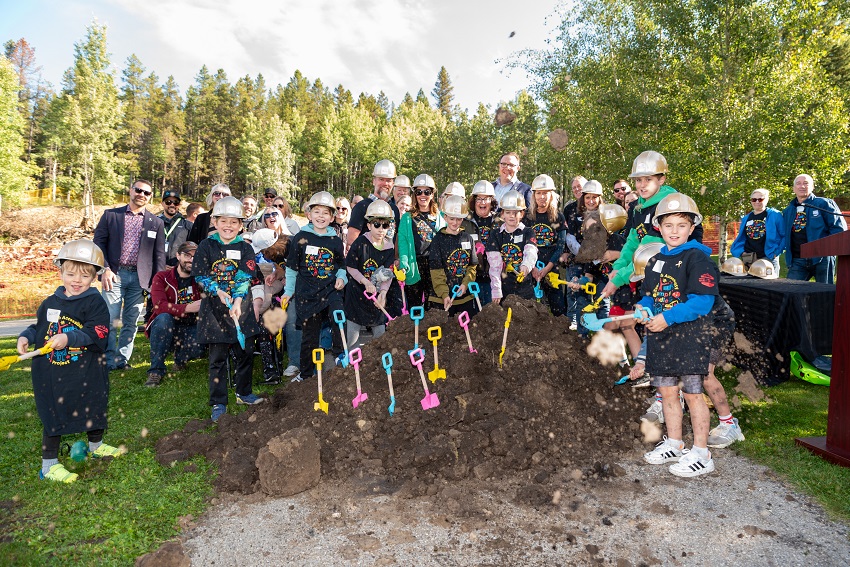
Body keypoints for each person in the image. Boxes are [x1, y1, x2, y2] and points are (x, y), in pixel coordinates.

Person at [18, 239, 121, 483]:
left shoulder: (95, 302)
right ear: (61, 271)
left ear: (95, 276)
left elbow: (98, 332)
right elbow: (40, 326)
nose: (76, 280)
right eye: (70, 273)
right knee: (54, 411)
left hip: (86, 371)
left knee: (93, 404)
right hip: (53, 372)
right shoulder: (50, 303)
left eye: (84, 276)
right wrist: (26, 336)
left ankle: (96, 446)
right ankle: (49, 466)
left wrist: (69, 337)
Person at [637, 193, 719, 478]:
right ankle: (674, 442)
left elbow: (702, 302)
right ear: (658, 226)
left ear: (692, 226)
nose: (674, 231)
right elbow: (650, 296)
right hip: (661, 337)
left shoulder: (697, 258)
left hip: (690, 338)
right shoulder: (654, 260)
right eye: (668, 224)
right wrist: (643, 310)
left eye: (681, 225)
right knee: (667, 392)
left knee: (693, 394)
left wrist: (666, 317)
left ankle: (701, 452)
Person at [192, 196, 266, 422]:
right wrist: (217, 290)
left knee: (245, 352)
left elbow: (245, 277)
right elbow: (201, 274)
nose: (228, 226)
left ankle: (243, 392)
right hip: (214, 310)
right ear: (214, 221)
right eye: (224, 220)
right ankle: (218, 402)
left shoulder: (245, 248)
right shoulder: (206, 245)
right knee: (217, 358)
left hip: (240, 308)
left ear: (241, 225)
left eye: (234, 222)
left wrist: (236, 300)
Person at [93, 179, 166, 371]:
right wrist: (105, 269)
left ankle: (121, 360)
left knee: (131, 321)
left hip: (140, 279)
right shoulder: (111, 216)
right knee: (110, 319)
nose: (142, 194)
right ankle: (107, 361)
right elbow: (98, 244)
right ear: (130, 190)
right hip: (114, 274)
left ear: (150, 197)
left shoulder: (156, 222)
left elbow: (159, 256)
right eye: (138, 190)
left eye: (147, 193)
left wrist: (155, 285)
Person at [283, 191, 347, 377]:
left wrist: (342, 277)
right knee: (309, 336)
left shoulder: (335, 239)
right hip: (307, 293)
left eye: (326, 212)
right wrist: (288, 291)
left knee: (338, 316)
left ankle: (339, 353)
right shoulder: (300, 238)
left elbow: (341, 264)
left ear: (332, 216)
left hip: (330, 289)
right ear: (309, 214)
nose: (321, 216)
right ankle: (305, 374)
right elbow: (292, 268)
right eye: (317, 212)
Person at [144, 241, 203, 387]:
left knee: (200, 344)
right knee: (164, 318)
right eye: (187, 255)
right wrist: (188, 308)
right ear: (178, 256)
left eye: (195, 256)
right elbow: (159, 306)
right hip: (166, 325)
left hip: (190, 326)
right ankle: (156, 371)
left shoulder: (202, 279)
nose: (191, 259)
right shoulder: (162, 277)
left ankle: (180, 358)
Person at [344, 200, 396, 350]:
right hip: (357, 294)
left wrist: (384, 294)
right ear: (369, 225)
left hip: (376, 295)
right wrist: (365, 282)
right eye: (377, 225)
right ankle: (351, 367)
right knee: (353, 337)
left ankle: (379, 366)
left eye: (385, 225)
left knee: (380, 333)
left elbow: (388, 273)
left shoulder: (389, 247)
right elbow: (351, 267)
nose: (381, 229)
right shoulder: (360, 242)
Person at [783, 174, 847, 283]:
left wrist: (828, 251)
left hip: (822, 259)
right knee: (790, 293)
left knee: (824, 295)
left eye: (806, 183)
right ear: (794, 189)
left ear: (812, 187)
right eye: (798, 184)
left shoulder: (823, 203)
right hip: (797, 260)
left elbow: (839, 229)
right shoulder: (788, 210)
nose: (802, 186)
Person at [397, 173, 445, 309]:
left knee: (435, 307)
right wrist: (404, 263)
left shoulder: (441, 217)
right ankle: (416, 331)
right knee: (415, 307)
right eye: (419, 192)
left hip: (435, 265)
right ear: (414, 194)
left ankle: (433, 331)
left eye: (427, 191)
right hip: (415, 266)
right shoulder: (407, 218)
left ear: (432, 194)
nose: (423, 195)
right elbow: (403, 242)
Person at [429, 195, 479, 315]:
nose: (455, 222)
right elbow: (436, 270)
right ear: (445, 217)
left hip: (464, 298)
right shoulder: (438, 240)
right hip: (442, 299)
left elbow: (472, 266)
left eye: (459, 219)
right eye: (452, 219)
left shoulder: (468, 238)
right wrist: (444, 293)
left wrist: (466, 284)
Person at [487, 190, 538, 303]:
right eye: (508, 212)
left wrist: (526, 266)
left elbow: (531, 251)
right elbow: (494, 265)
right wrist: (496, 289)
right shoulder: (495, 234)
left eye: (515, 212)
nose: (511, 216)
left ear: (522, 214)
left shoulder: (528, 232)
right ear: (502, 214)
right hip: (505, 288)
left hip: (526, 288)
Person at [526, 174, 566, 316]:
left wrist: (548, 268)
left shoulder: (558, 217)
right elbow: (523, 245)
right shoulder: (527, 217)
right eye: (539, 193)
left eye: (545, 193)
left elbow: (560, 246)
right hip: (531, 268)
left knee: (558, 309)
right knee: (533, 310)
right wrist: (533, 267)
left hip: (552, 267)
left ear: (551, 195)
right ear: (534, 195)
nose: (542, 197)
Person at [347, 159, 400, 247]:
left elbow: (395, 240)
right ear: (374, 181)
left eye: (389, 180)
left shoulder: (394, 209)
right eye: (381, 179)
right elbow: (351, 241)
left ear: (393, 183)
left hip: (388, 260)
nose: (385, 183)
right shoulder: (362, 207)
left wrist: (395, 258)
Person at [729, 188, 784, 271]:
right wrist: (742, 252)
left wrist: (776, 253)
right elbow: (742, 238)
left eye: (760, 199)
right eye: (754, 199)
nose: (757, 202)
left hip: (768, 257)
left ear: (766, 200)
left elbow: (785, 235)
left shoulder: (775, 215)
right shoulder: (746, 218)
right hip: (749, 259)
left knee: (770, 284)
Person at [467, 180, 501, 306]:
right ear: (473, 201)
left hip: (495, 279)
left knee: (491, 314)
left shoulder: (500, 222)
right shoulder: (466, 222)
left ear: (491, 201)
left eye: (485, 199)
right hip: (472, 277)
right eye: (478, 199)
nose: (482, 202)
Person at [562, 175, 589, 329]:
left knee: (586, 292)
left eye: (580, 186)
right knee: (572, 289)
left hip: (593, 257)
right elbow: (565, 232)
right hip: (573, 257)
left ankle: (586, 327)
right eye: (575, 187)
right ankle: (571, 324)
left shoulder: (595, 204)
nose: (578, 189)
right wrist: (565, 251)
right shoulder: (569, 208)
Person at [159, 189, 191, 267]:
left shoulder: (188, 225)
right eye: (168, 202)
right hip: (157, 269)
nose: (172, 205)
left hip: (178, 270)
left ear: (179, 205)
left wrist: (179, 266)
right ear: (162, 204)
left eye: (176, 202)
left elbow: (192, 250)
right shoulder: (154, 223)